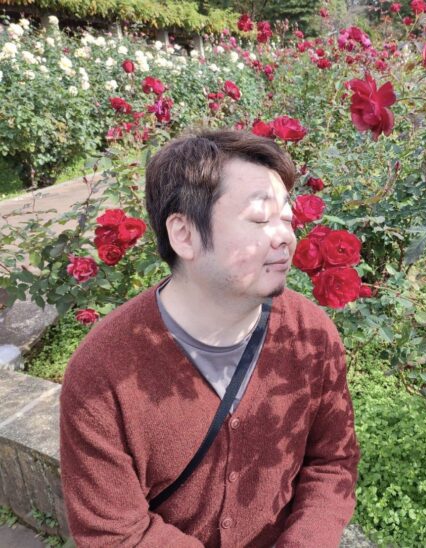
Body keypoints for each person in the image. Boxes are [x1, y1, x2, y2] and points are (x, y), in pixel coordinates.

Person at [59, 129, 360, 547]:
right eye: (260, 219)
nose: (285, 236)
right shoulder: (102, 373)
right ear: (184, 234)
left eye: (287, 219)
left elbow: (332, 462)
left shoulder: (309, 334)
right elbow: (113, 532)